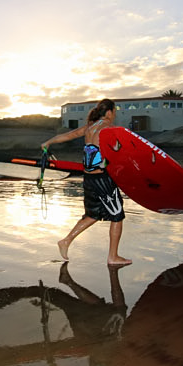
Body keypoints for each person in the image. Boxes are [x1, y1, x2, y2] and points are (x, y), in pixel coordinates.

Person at [41, 99, 132, 268]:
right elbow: (118, 151)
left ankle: (66, 241)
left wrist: (49, 142)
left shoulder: (89, 128)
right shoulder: (108, 129)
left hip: (89, 178)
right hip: (103, 179)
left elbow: (66, 136)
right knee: (117, 216)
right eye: (115, 112)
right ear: (110, 112)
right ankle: (113, 256)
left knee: (93, 214)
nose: (115, 115)